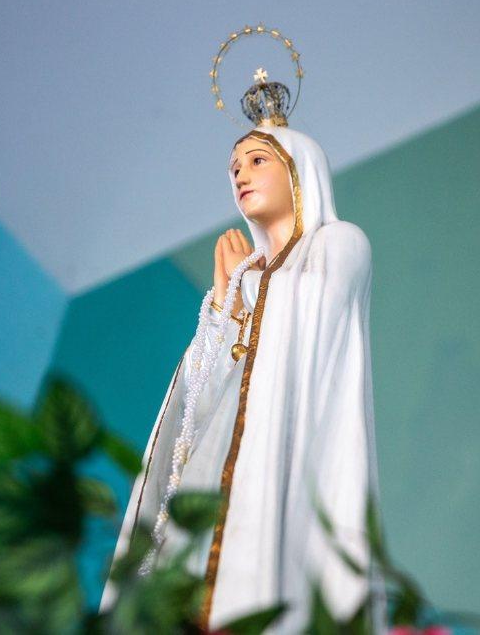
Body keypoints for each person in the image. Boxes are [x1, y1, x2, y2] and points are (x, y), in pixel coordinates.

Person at [104, 47, 382, 631]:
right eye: (235, 167)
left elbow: (308, 332)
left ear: (300, 173)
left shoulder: (340, 243)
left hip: (286, 456)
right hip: (224, 469)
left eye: (257, 160)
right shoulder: (246, 283)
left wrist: (249, 292)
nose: (240, 174)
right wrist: (226, 302)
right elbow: (198, 408)